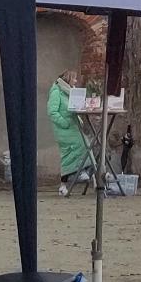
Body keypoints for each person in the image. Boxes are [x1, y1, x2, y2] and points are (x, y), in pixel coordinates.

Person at [47, 66, 94, 197]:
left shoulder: (70, 91)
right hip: (64, 128)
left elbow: (73, 108)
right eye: (74, 78)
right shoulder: (56, 91)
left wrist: (79, 119)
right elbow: (52, 112)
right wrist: (65, 123)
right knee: (81, 145)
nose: (75, 81)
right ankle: (80, 172)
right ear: (68, 79)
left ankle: (81, 173)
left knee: (83, 145)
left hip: (73, 126)